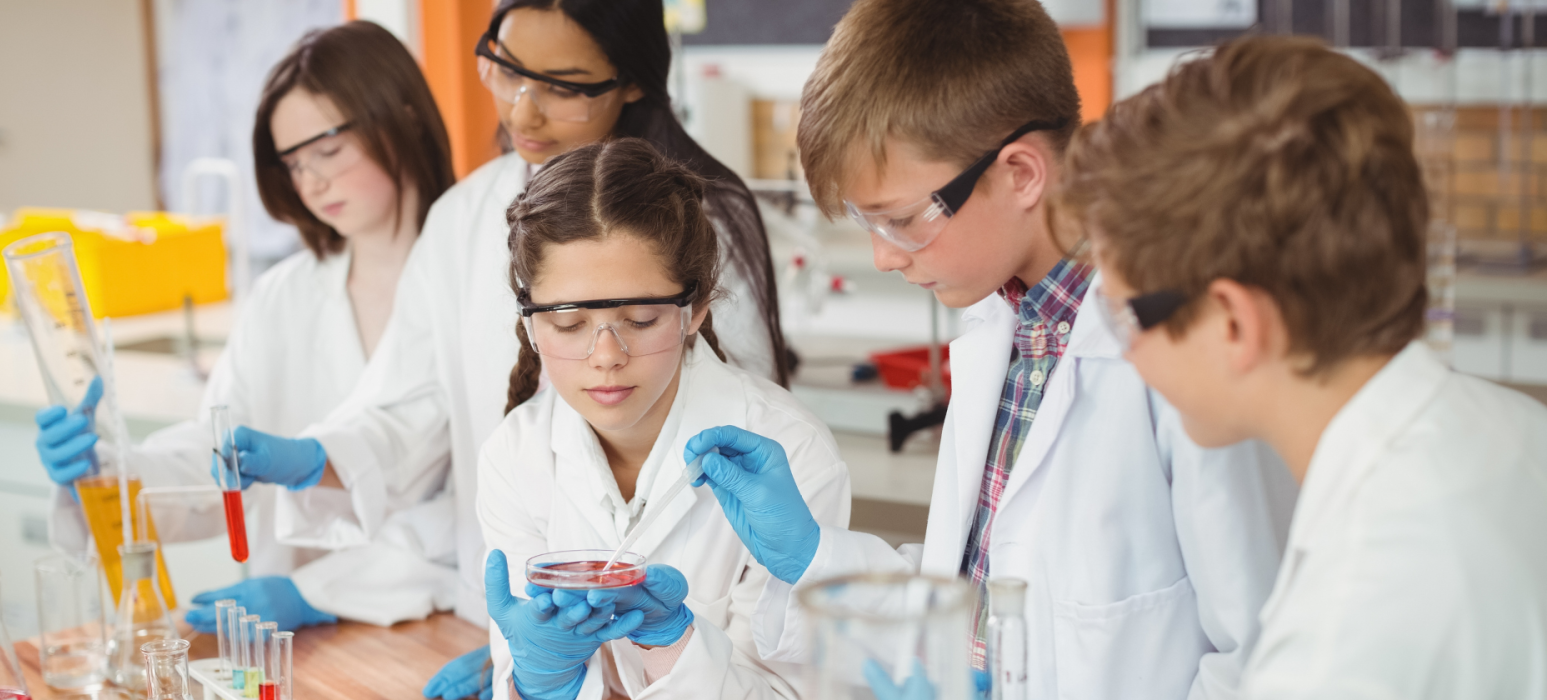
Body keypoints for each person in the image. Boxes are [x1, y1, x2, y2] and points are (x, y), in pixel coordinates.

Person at [684, 1, 1300, 698]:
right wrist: (812, 557)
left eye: (902, 219)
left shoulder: (1186, 351)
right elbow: (979, 595)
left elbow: (1266, 658)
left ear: (1021, 174)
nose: (884, 256)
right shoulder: (1000, 328)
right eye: (866, 223)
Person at [216, 2, 793, 697]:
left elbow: (728, 451)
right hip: (510, 618)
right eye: (507, 72)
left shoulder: (699, 218)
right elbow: (416, 403)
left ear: (633, 81)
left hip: (695, 648)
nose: (523, 111)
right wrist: (319, 457)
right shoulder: (462, 218)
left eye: (563, 86)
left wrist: (636, 643)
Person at [1051, 35, 1547, 698]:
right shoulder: (1514, 429)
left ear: (1233, 322)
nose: (1125, 348)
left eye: (1124, 316)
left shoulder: (1338, 644)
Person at [32, 20, 462, 636]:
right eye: (294, 163)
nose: (311, 181)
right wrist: (105, 472)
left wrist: (320, 591)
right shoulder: (284, 297)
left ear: (403, 118)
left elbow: (485, 499)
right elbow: (216, 462)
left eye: (327, 150)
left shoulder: (478, 283)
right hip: (289, 640)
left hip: (442, 625)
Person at [480, 138, 848, 700]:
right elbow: (518, 671)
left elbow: (794, 693)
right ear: (530, 322)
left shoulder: (790, 452)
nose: (606, 356)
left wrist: (673, 647)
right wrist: (538, 682)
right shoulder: (514, 455)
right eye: (570, 324)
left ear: (694, 309)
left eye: (642, 319)